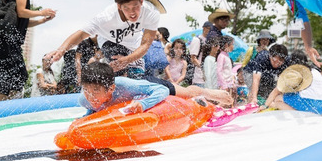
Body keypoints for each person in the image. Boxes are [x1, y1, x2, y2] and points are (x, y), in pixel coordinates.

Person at [48, 0, 166, 79]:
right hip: (109, 40)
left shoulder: (151, 13)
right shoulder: (106, 17)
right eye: (127, 8)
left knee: (137, 77)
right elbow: (81, 34)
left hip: (134, 44)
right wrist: (61, 50)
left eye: (136, 6)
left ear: (141, 2)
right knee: (120, 70)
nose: (132, 13)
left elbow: (146, 44)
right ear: (119, 6)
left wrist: (128, 59)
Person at [0, 0, 56, 101]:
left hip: (8, 42)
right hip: (5, 41)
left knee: (12, 77)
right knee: (13, 77)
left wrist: (42, 20)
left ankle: (6, 107)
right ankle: (4, 109)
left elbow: (22, 21)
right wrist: (42, 12)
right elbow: (21, 12)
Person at [79, 62, 233, 116]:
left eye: (95, 92)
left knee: (187, 94)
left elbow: (162, 91)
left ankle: (209, 93)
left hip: (148, 83)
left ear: (111, 88)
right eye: (86, 90)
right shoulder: (84, 99)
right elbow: (93, 107)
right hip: (133, 93)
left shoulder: (126, 86)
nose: (90, 96)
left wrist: (144, 104)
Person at [263, 51, 322, 115]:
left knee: (278, 99)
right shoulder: (315, 71)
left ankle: (298, 114)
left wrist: (264, 106)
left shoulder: (295, 73)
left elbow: (276, 91)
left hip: (314, 105)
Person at [188, 21, 212, 87]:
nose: (210, 31)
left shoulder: (210, 41)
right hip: (198, 78)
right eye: (209, 29)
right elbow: (193, 58)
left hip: (208, 80)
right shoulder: (197, 40)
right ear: (204, 28)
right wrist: (203, 70)